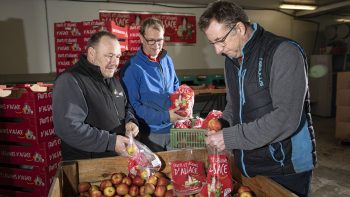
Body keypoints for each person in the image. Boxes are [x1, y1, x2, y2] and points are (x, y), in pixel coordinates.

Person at [198, 1, 316, 196]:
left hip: (285, 168)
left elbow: (285, 118)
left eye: (220, 40)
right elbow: (233, 105)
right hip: (249, 164)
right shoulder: (231, 61)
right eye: (213, 43)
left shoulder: (284, 52)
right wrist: (221, 124)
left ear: (239, 28)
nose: (217, 50)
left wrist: (229, 137)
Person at [53, 31, 139, 160]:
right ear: (92, 53)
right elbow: (69, 128)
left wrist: (130, 121)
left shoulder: (113, 79)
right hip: (87, 165)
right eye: (109, 56)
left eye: (118, 56)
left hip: (116, 159)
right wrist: (110, 142)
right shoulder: (70, 80)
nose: (115, 62)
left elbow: (126, 107)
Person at [121, 17, 184, 152]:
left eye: (160, 40)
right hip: (150, 133)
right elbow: (133, 107)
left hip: (174, 129)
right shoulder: (132, 68)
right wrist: (166, 116)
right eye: (151, 41)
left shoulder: (167, 60)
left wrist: (184, 104)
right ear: (141, 38)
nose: (156, 45)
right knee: (154, 171)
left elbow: (176, 87)